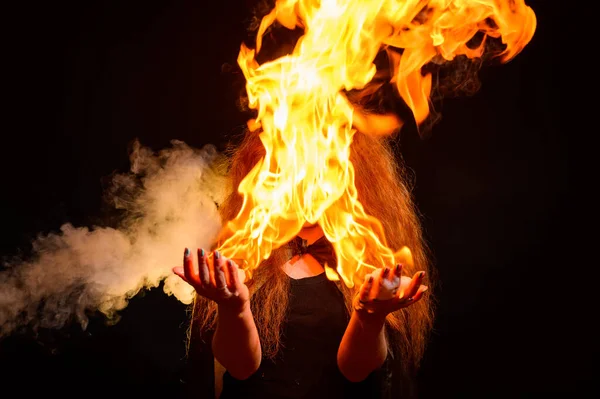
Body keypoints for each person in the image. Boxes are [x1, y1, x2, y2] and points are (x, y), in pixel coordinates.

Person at [172, 125, 435, 398]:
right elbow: (241, 368)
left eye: (321, 175)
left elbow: (357, 372)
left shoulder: (373, 265)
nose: (306, 193)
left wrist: (371, 315)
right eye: (290, 176)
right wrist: (233, 308)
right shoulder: (238, 259)